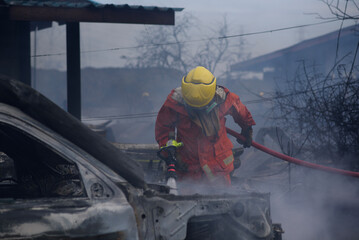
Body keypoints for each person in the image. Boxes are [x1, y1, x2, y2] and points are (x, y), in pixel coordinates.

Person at [155, 66, 255, 186]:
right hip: (188, 168)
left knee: (222, 201)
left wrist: (247, 129)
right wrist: (169, 153)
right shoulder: (174, 103)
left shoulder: (224, 99)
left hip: (218, 167)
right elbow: (163, 129)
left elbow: (241, 112)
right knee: (186, 202)